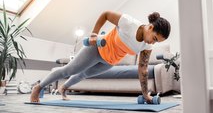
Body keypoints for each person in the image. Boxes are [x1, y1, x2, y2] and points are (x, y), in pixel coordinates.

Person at [30, 11, 171, 103]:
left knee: (84, 74)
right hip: (96, 49)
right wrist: (94, 34)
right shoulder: (129, 23)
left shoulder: (147, 46)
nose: (153, 43)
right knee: (69, 70)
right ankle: (38, 87)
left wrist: (146, 94)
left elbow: (143, 69)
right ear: (150, 28)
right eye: (154, 38)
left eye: (156, 42)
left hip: (109, 62)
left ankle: (64, 88)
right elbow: (106, 15)